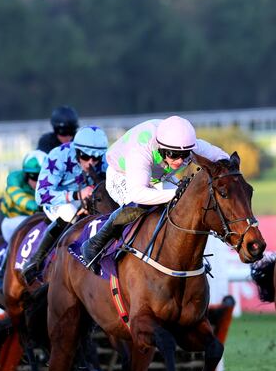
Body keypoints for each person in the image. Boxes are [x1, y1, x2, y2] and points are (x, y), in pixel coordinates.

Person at [80, 115, 229, 269]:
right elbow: (139, 194)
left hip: (157, 178)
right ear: (161, 148)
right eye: (173, 154)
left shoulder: (187, 144)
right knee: (136, 207)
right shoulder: (141, 149)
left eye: (184, 156)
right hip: (122, 174)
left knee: (186, 208)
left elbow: (224, 159)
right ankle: (94, 245)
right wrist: (177, 194)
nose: (179, 161)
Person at [21, 125, 109, 284]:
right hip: (59, 202)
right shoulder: (58, 156)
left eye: (95, 158)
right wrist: (76, 195)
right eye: (85, 156)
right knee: (69, 211)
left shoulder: (104, 160)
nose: (91, 162)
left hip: (90, 200)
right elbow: (41, 196)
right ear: (76, 151)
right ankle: (35, 261)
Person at [0, 150, 47, 291]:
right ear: (25, 174)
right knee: (20, 237)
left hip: (38, 219)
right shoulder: (14, 178)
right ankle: (0, 272)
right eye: (33, 176)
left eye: (41, 176)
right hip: (13, 221)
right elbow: (18, 198)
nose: (37, 181)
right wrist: (38, 206)